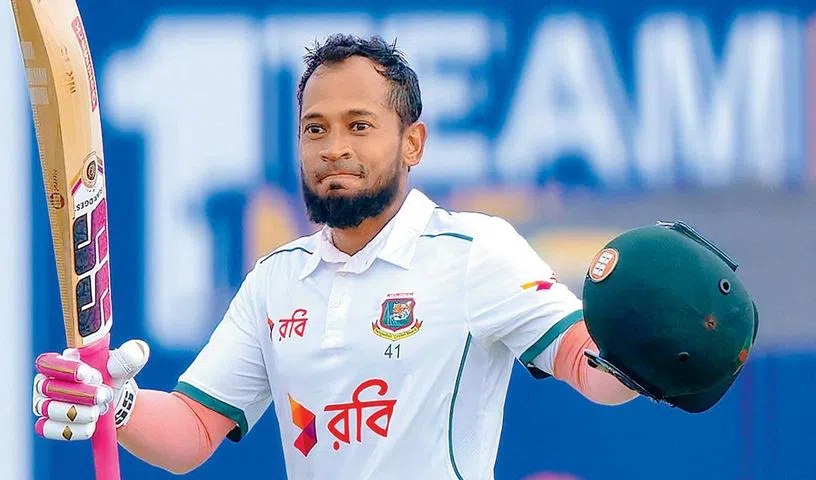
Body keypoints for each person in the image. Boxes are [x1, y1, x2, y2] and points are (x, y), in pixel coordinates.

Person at [34, 34, 749, 479]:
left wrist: (631, 361)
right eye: (315, 128)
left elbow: (584, 367)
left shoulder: (475, 252)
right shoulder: (275, 282)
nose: (333, 148)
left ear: (413, 143)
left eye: (359, 126)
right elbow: (192, 433)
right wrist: (115, 404)